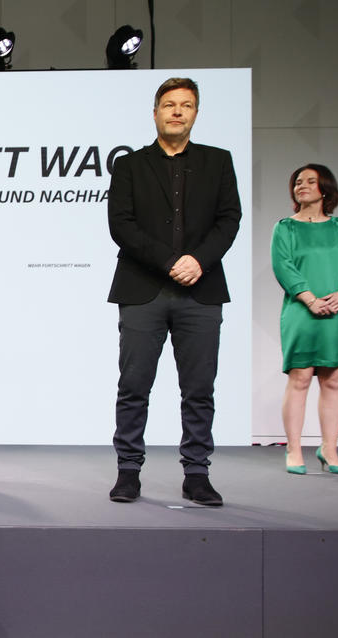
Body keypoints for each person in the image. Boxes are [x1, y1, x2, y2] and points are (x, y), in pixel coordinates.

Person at [106, 77, 241, 506]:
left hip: (201, 291)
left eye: (186, 105)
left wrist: (197, 261)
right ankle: (128, 471)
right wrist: (169, 262)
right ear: (155, 113)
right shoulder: (130, 166)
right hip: (144, 289)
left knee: (199, 387)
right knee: (134, 385)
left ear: (196, 113)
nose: (177, 111)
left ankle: (197, 474)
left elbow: (229, 219)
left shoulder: (219, 162)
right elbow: (121, 225)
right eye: (169, 104)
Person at [272, 164, 338, 475]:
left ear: (325, 188)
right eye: (298, 181)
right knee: (299, 377)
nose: (302, 186)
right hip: (301, 309)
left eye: (310, 181)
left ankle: (330, 450)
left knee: (333, 379)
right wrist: (309, 298)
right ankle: (294, 450)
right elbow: (283, 267)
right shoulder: (285, 227)